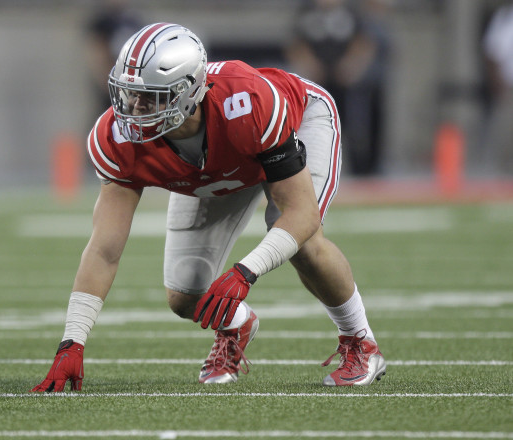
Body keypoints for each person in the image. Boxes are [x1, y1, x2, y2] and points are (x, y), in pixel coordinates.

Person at [32, 23, 386, 392]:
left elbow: (301, 214)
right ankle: (236, 325)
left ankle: (361, 343)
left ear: (188, 94)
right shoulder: (116, 138)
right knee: (186, 295)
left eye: (150, 97)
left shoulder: (248, 101)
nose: (134, 108)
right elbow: (104, 249)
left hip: (292, 123)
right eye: (129, 93)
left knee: (304, 242)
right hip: (218, 164)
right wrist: (72, 341)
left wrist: (244, 273)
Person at [285, 0, 390, 176]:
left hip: (345, 82)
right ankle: (310, 167)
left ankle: (359, 170)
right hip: (316, 81)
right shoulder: (307, 11)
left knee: (351, 125)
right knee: (311, 122)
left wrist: (352, 66)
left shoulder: (352, 11)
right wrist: (308, 66)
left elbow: (364, 41)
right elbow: (296, 42)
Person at [481, 3, 513, 175]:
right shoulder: (506, 17)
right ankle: (502, 170)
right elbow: (492, 50)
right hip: (509, 83)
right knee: (506, 128)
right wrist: (497, 81)